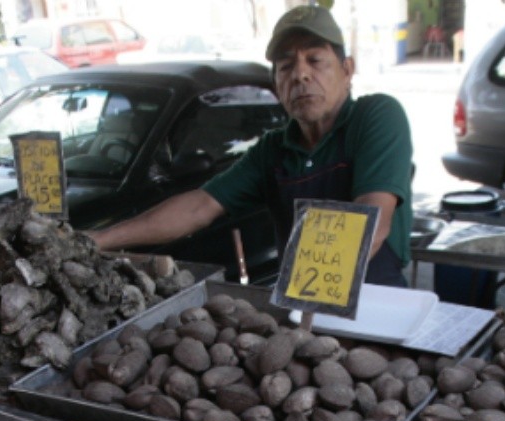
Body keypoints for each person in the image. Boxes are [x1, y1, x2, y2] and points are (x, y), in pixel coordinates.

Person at [90, 5, 414, 287]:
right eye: (286, 66)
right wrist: (98, 240)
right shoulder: (273, 149)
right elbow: (199, 206)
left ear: (347, 71)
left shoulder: (376, 116)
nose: (300, 74)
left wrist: (310, 292)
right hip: (305, 311)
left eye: (315, 60)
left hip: (378, 300)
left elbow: (373, 216)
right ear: (276, 85)